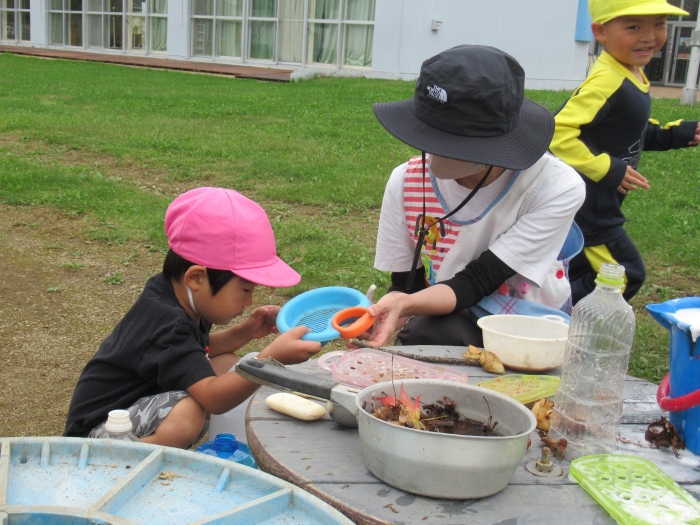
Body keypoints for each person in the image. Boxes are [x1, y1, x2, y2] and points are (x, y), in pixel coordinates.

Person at [64, 187, 321, 447]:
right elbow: (214, 399)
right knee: (188, 413)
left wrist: (244, 332)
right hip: (100, 435)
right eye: (245, 290)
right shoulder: (165, 322)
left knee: (227, 365)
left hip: (138, 408)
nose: (249, 301)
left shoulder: (180, 296)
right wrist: (269, 361)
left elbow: (194, 349)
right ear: (196, 278)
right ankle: (136, 462)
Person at [365, 45, 585, 348]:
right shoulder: (406, 182)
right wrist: (386, 314)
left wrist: (406, 304)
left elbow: (479, 280)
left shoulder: (554, 186)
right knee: (428, 334)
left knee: (438, 333)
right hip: (444, 312)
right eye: (429, 133)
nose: (433, 150)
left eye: (451, 140)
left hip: (525, 323)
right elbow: (407, 286)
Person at [549, 0, 700, 304]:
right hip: (589, 205)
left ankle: (547, 315)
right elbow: (557, 132)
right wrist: (607, 168)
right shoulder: (608, 81)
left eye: (659, 24)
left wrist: (674, 134)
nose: (649, 36)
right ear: (600, 32)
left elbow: (629, 128)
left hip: (598, 201)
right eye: (634, 26)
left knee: (578, 270)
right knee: (624, 273)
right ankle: (550, 315)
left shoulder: (628, 73)